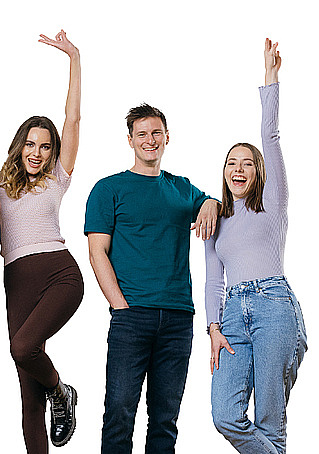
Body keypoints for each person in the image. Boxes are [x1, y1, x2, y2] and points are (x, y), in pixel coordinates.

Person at [84, 101, 219, 453]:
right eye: (141, 134)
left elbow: (214, 204)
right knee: (119, 413)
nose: (149, 140)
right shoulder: (108, 189)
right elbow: (97, 252)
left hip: (178, 318)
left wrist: (210, 202)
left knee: (164, 420)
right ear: (130, 140)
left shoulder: (181, 188)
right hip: (132, 316)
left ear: (167, 137)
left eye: (156, 133)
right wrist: (121, 306)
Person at [205, 39, 307, 454]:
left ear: (259, 171)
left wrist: (270, 76)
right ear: (224, 172)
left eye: (247, 162)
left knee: (269, 419)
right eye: (231, 163)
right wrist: (213, 328)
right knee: (225, 415)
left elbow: (271, 134)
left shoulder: (274, 202)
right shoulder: (214, 219)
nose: (239, 168)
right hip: (232, 317)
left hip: (274, 305)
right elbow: (214, 281)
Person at [0, 30, 83, 452]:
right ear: (19, 146)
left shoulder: (56, 180)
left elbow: (72, 120)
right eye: (30, 144)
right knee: (28, 391)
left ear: (53, 153)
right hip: (17, 282)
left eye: (45, 147)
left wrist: (74, 58)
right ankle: (53, 394)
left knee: (23, 346)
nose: (37, 152)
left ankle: (61, 391)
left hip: (60, 274)